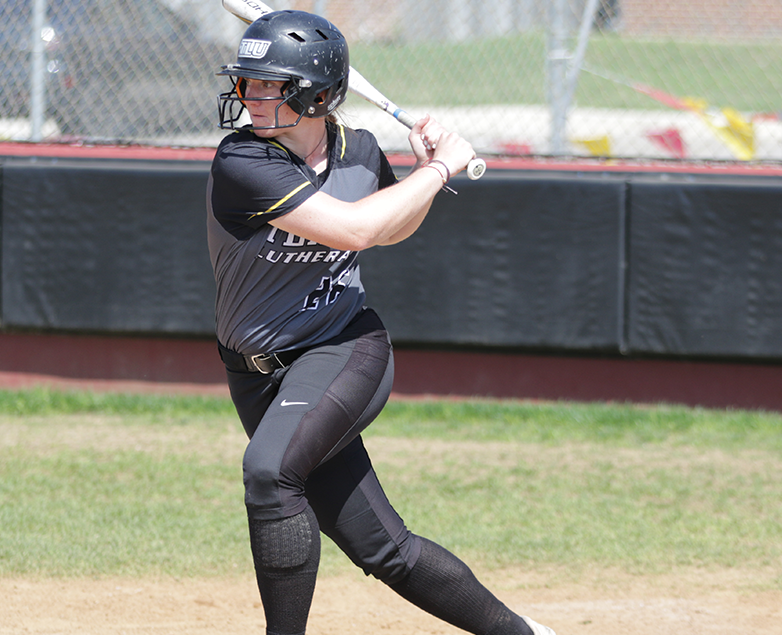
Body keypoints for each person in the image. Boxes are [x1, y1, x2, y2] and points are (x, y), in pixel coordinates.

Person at [205, 10, 556, 635]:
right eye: (246, 83)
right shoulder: (243, 162)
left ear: (316, 95)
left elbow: (392, 229)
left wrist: (425, 169)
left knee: (269, 472)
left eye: (270, 85)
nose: (250, 98)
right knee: (384, 549)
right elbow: (362, 227)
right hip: (257, 376)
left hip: (342, 349)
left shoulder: (361, 151)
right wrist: (438, 168)